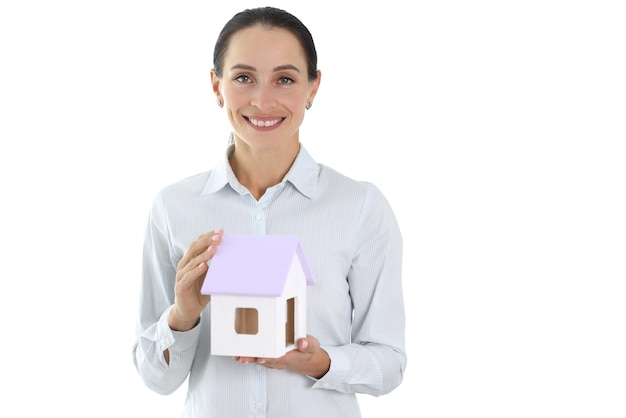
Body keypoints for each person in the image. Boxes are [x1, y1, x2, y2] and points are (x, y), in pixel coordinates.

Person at [132, 6, 406, 417]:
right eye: (244, 78)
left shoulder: (359, 207)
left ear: (313, 88)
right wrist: (182, 316)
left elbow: (389, 362)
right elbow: (157, 379)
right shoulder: (173, 207)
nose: (262, 100)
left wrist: (320, 362)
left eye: (285, 79)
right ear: (216, 85)